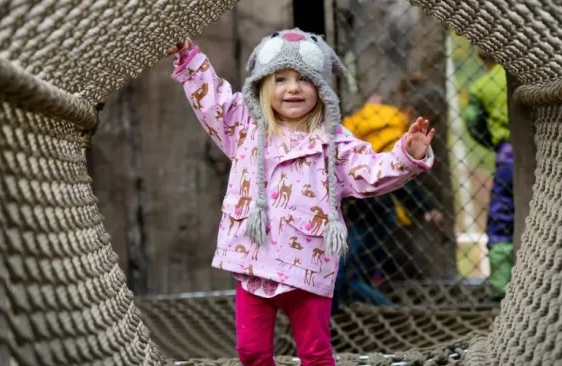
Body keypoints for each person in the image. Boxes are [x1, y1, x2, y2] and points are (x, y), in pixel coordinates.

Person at [167, 28, 436, 366]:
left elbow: (370, 170)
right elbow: (214, 101)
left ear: (321, 88)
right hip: (254, 263)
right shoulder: (245, 127)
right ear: (264, 86)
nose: (292, 88)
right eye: (280, 79)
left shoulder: (333, 141)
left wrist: (406, 154)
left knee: (314, 352)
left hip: (309, 265)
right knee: (251, 351)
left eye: (304, 79)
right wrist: (190, 59)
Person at [333, 92, 443, 311]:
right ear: (413, 115)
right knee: (346, 271)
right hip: (377, 212)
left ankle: (353, 303)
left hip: (352, 205)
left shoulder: (369, 118)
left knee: (348, 266)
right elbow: (398, 179)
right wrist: (426, 208)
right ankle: (386, 309)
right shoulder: (397, 134)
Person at [464, 48, 513, 299]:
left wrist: (492, 143)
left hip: (507, 155)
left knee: (502, 220)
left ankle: (502, 288)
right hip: (545, 150)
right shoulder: (529, 75)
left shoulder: (482, 86)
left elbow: (473, 122)